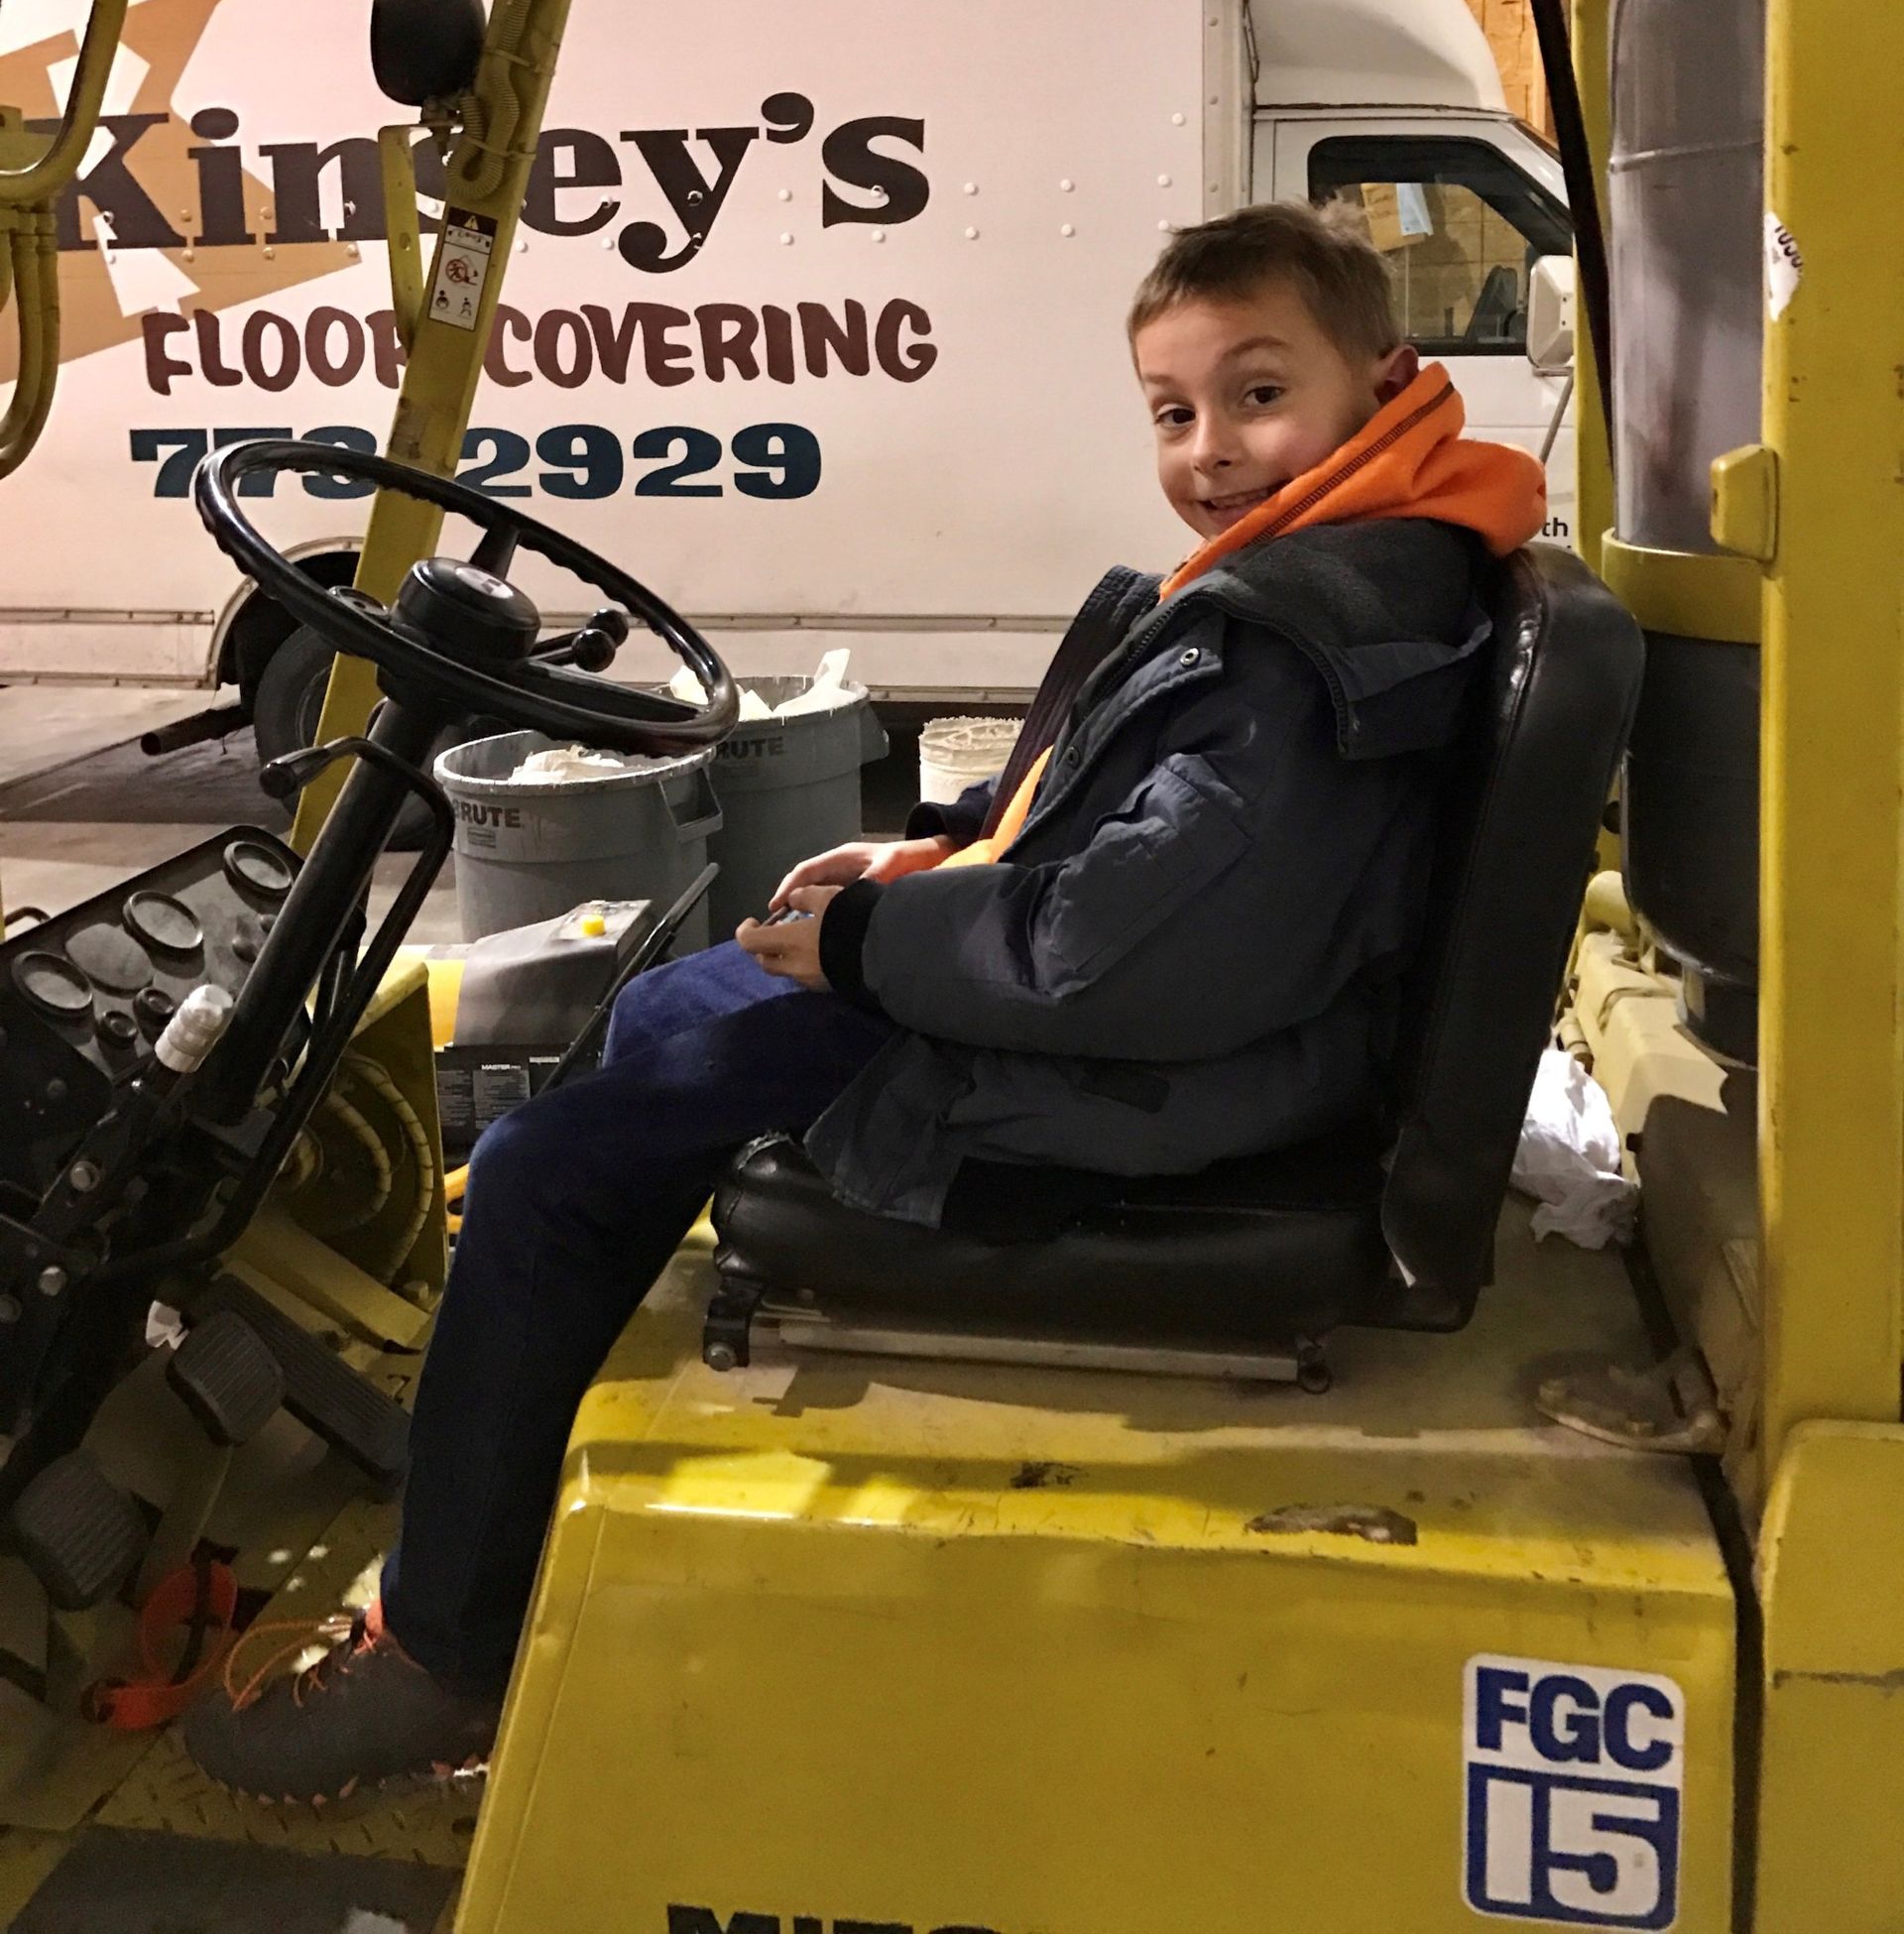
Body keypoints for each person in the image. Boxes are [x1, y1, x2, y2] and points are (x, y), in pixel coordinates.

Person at [184, 201, 1544, 1802]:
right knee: (662, 1021)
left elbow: (1118, 956)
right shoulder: (1347, 561)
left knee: (553, 1165)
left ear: (1380, 379)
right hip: (1181, 1030)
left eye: (1258, 396)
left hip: (1156, 1082)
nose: (1211, 449)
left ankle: (445, 1659)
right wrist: (925, 856)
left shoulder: (1314, 645)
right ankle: (510, 1480)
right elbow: (1119, 846)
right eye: (1174, 414)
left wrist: (867, 950)